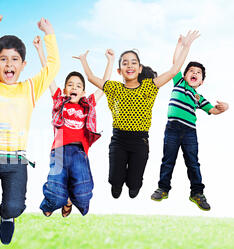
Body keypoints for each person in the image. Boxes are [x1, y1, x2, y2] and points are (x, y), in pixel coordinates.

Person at [0, 13, 60, 244]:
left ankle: (7, 217)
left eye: (15, 60)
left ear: (23, 65)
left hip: (17, 161)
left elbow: (53, 66)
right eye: (3, 59)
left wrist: (49, 34)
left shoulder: (30, 89)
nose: (9, 64)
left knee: (15, 207)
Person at [77, 31, 200, 199]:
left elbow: (173, 71)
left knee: (134, 187)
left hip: (140, 141)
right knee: (115, 184)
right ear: (120, 70)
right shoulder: (114, 88)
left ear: (139, 68)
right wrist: (84, 60)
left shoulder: (149, 87)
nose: (130, 66)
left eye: (134, 62)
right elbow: (91, 77)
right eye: (125, 63)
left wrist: (186, 46)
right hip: (118, 140)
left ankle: (134, 183)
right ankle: (117, 182)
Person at [33, 36, 114, 217]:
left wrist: (110, 61)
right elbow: (48, 75)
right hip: (59, 151)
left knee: (84, 192)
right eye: (70, 85)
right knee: (55, 189)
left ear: (83, 92)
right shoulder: (59, 101)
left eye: (78, 85)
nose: (74, 87)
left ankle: (70, 200)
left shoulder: (88, 104)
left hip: (79, 152)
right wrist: (40, 50)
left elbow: (104, 86)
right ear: (64, 89)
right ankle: (53, 202)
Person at [151, 61, 229, 210]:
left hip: (189, 132)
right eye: (191, 71)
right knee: (168, 160)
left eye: (198, 73)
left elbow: (213, 110)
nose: (194, 73)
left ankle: (197, 193)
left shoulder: (198, 97)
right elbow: (176, 63)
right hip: (172, 128)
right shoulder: (179, 82)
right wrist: (181, 45)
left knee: (193, 163)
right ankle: (163, 189)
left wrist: (225, 107)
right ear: (185, 75)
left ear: (202, 82)